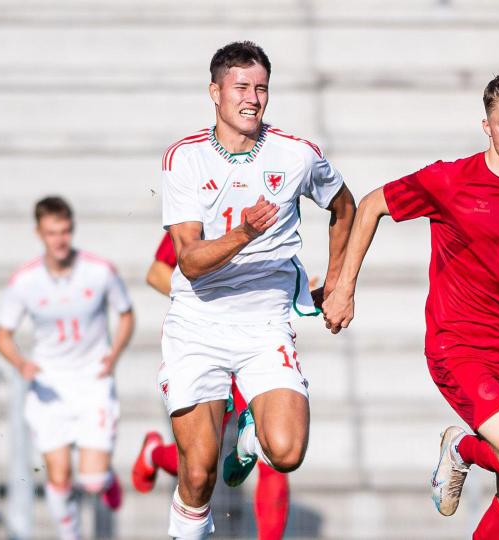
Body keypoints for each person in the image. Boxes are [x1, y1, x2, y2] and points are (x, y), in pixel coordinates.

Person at [322, 67, 499, 539]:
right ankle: (461, 450)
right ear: (487, 126)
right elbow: (371, 205)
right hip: (460, 346)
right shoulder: (451, 181)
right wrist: (345, 287)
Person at [159, 40, 355, 539]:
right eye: (241, 87)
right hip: (199, 321)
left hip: (265, 321)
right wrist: (244, 233)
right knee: (199, 473)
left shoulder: (297, 155)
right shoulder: (186, 159)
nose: (252, 98)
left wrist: (338, 283)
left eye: (261, 88)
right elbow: (189, 262)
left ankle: (250, 438)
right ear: (215, 93)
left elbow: (344, 207)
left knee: (287, 452)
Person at [132, 233, 291, 540]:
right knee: (202, 460)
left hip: (258, 343)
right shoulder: (206, 201)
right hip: (207, 343)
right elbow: (157, 273)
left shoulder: (274, 203)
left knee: (275, 449)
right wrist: (220, 305)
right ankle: (154, 453)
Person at [0, 196, 135, 540]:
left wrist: (112, 355)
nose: (60, 240)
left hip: (91, 380)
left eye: (65, 231)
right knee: (58, 476)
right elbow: (2, 336)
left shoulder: (99, 270)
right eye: (52, 232)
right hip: (49, 384)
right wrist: (21, 363)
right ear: (39, 233)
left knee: (91, 481)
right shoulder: (25, 281)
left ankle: (106, 479)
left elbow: (126, 314)